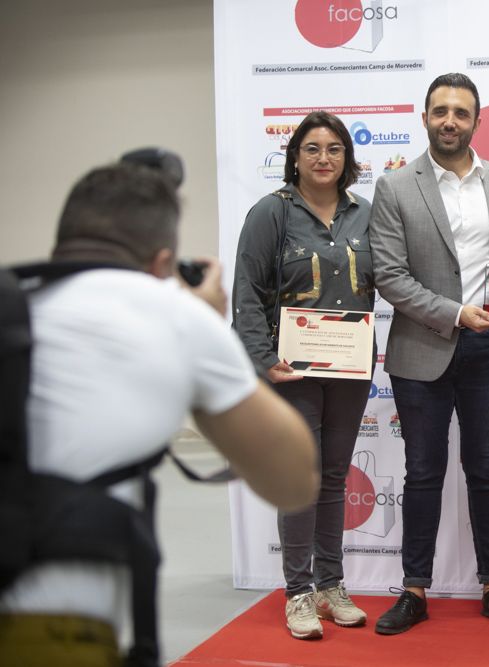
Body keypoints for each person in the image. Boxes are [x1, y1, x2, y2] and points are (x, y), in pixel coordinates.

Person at [0, 161, 318, 666]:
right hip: (49, 631)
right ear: (164, 261)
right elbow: (295, 483)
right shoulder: (177, 316)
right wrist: (205, 326)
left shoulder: (16, 302)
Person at [369, 72, 489, 635]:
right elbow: (388, 275)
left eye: (461, 113)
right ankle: (414, 590)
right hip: (421, 351)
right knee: (421, 472)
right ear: (424, 118)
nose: (450, 122)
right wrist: (455, 313)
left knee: (487, 471)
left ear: (477, 121)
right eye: (440, 111)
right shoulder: (394, 188)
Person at [232, 110, 375, 640]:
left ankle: (330, 585)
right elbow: (246, 294)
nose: (323, 158)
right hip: (289, 370)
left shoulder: (365, 213)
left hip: (351, 367)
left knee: (334, 476)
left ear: (347, 158)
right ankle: (297, 592)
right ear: (295, 156)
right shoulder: (271, 213)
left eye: (334, 149)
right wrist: (263, 358)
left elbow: (390, 278)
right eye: (312, 148)